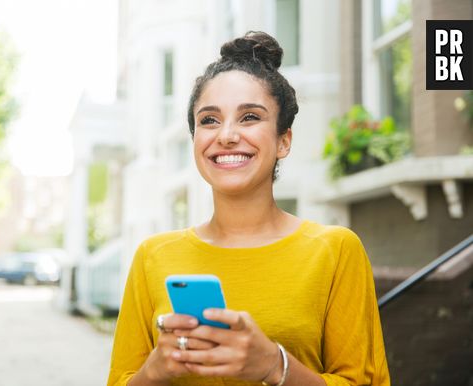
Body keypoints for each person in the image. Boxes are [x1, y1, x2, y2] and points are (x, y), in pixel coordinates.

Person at [107, 31, 390, 386]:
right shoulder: (153, 256)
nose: (226, 135)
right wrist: (155, 371)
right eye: (209, 120)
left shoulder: (334, 250)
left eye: (250, 117)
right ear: (195, 138)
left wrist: (275, 365)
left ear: (283, 140)